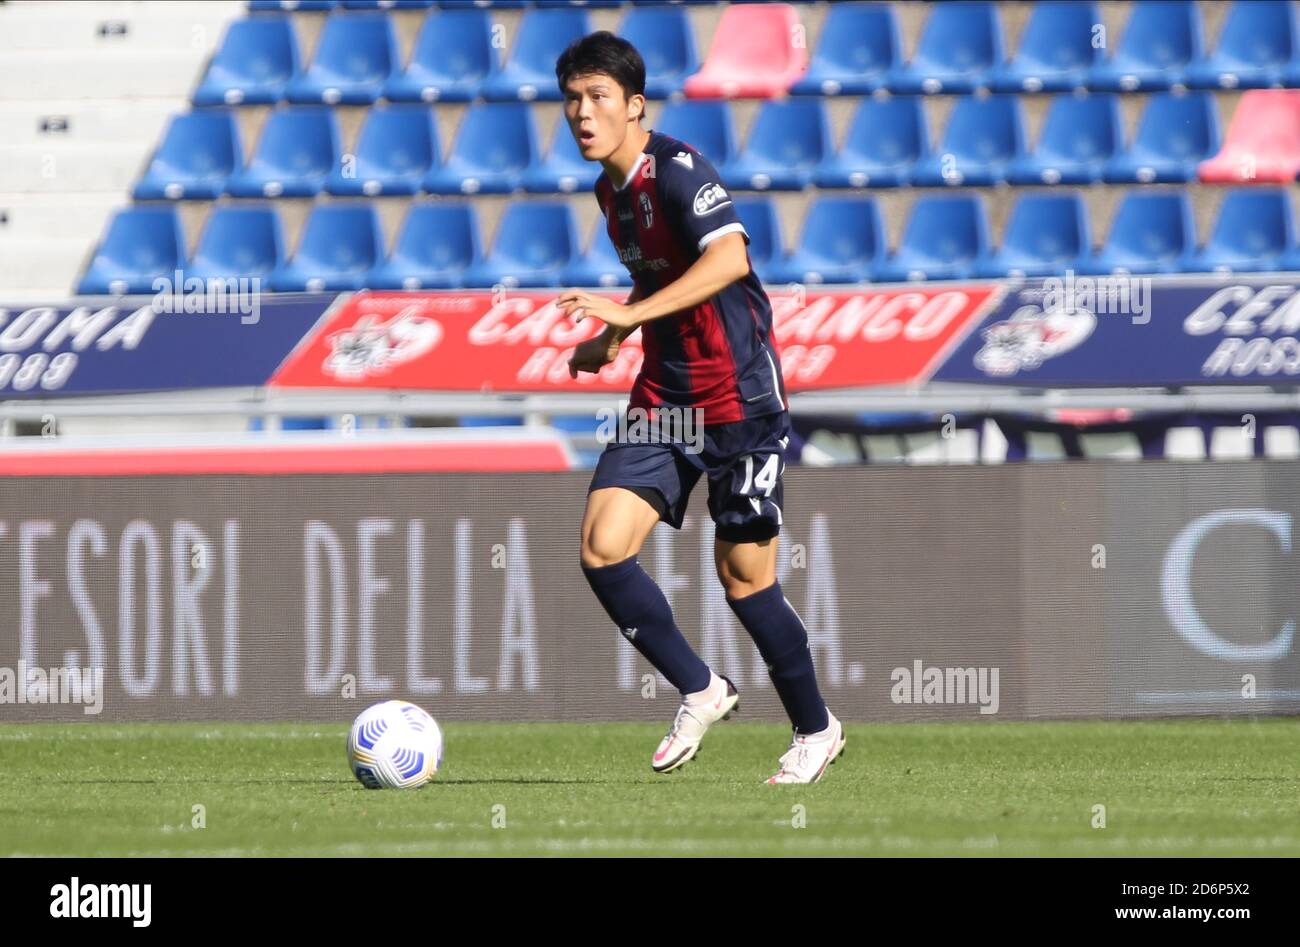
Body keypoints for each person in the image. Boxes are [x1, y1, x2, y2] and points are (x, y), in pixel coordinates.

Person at [555, 31, 844, 784]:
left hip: (738, 396)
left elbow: (729, 258)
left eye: (597, 98)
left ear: (635, 106)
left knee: (744, 577)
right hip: (666, 395)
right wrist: (616, 335)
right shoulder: (608, 191)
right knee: (601, 546)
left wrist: (624, 319)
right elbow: (662, 275)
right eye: (572, 100)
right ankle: (702, 687)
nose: (582, 114)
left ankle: (815, 728)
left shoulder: (680, 171)